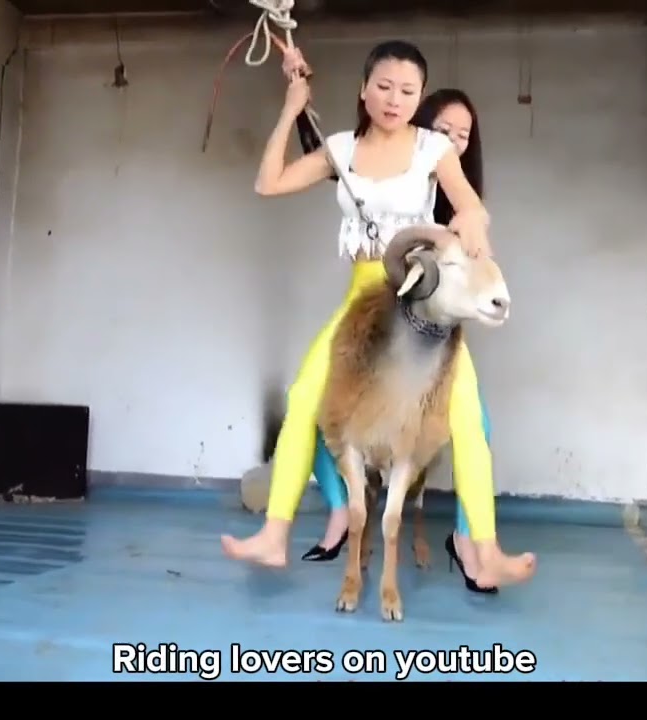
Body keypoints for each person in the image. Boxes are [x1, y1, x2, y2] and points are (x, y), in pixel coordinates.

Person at [219, 40, 536, 591]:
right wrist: (292, 107)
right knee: (304, 397)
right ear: (365, 90)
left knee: (464, 413)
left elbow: (470, 207)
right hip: (363, 292)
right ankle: (274, 538)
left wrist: (470, 240)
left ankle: (485, 552)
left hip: (416, 290)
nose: (394, 99)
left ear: (419, 98)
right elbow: (268, 183)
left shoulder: (434, 148)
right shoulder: (340, 150)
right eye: (384, 87)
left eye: (408, 91)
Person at [293, 88, 502, 594]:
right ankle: (343, 514)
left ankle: (468, 538)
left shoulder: (466, 204)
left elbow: (483, 271)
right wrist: (302, 109)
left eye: (463, 135)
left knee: (475, 424)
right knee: (320, 407)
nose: (452, 141)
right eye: (444, 130)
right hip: (377, 314)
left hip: (433, 334)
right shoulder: (401, 173)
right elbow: (340, 166)